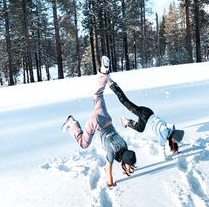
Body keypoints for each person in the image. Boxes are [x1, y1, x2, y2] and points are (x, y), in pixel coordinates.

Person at [62, 56, 136, 187]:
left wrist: (128, 166)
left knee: (98, 94)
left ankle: (104, 72)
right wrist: (110, 184)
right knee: (83, 144)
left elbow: (127, 158)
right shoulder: (112, 153)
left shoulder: (124, 145)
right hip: (96, 123)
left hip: (105, 117)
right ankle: (72, 123)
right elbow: (108, 170)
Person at [108, 79, 184, 159]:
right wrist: (164, 158)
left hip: (149, 114)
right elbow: (162, 147)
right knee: (125, 102)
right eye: (175, 140)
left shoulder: (170, 130)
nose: (174, 142)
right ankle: (113, 85)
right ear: (173, 136)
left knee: (140, 129)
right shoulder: (164, 132)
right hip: (145, 115)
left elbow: (172, 140)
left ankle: (126, 121)